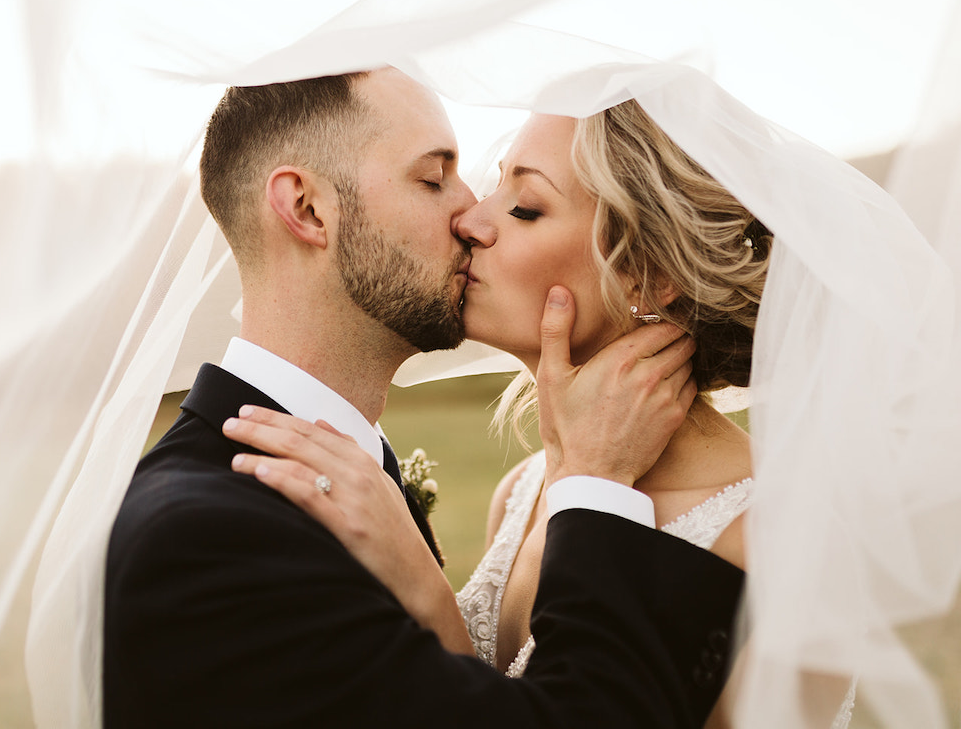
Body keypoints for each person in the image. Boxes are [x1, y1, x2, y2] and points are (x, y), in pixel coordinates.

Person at [102, 68, 745, 728]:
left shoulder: (344, 481)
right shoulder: (214, 537)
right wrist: (594, 485)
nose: (470, 216)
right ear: (307, 208)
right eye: (432, 179)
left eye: (517, 202)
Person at [230, 101, 859, 728]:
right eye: (497, 183)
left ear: (649, 273)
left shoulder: (780, 546)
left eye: (525, 206)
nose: (471, 219)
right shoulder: (525, 491)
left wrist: (423, 592)